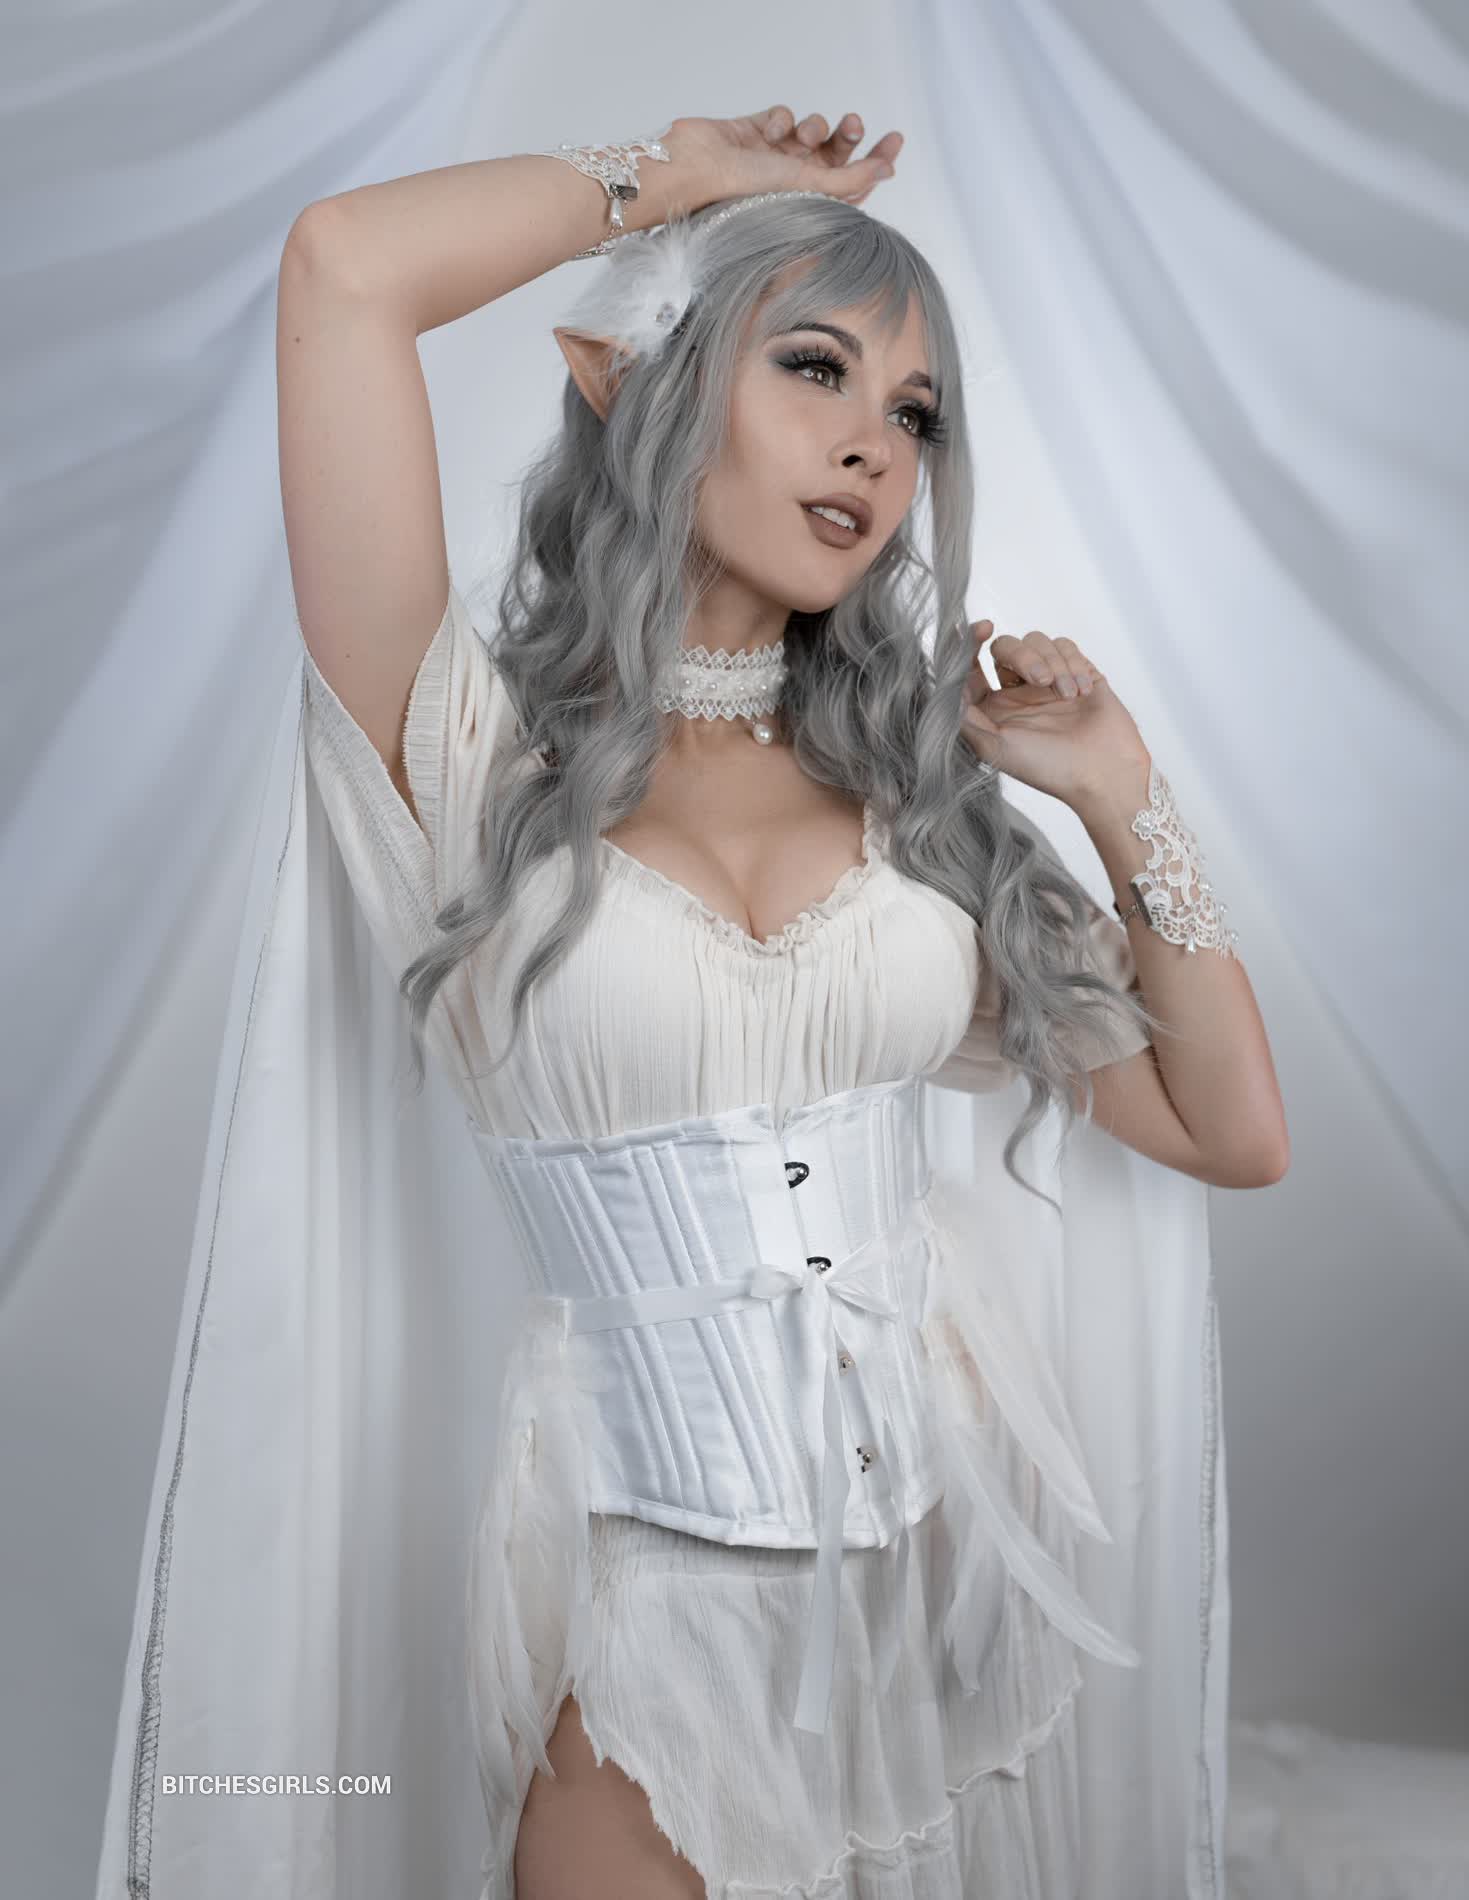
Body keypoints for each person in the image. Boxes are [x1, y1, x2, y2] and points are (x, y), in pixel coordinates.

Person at [96, 104, 1284, 1900]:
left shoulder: (914, 804)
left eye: (913, 414)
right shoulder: (469, 764)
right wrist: (680, 181)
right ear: (624, 380)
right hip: (649, 1615)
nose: (873, 444)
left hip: (949, 1620)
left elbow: (1229, 1127)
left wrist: (1121, 792)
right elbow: (342, 271)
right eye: (814, 367)